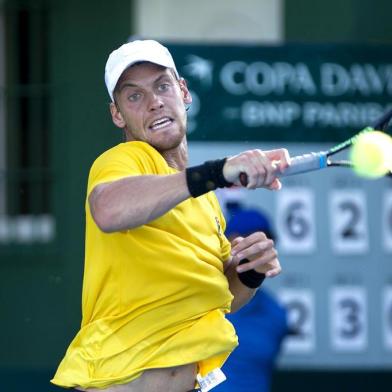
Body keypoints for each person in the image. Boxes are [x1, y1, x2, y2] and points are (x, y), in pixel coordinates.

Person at [51, 39, 290, 392]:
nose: (154, 103)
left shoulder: (205, 202)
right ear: (117, 114)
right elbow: (107, 208)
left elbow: (219, 299)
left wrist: (250, 272)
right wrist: (216, 172)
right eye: (134, 96)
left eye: (162, 86)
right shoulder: (123, 161)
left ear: (183, 92)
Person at [215, 204, 289, 392]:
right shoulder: (200, 303)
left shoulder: (276, 313)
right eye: (246, 243)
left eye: (263, 244)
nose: (255, 252)